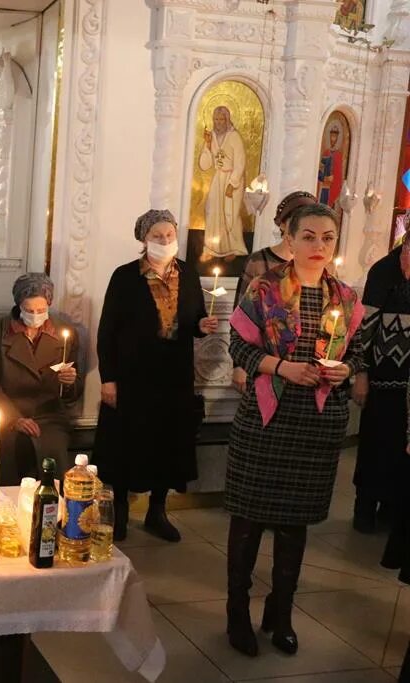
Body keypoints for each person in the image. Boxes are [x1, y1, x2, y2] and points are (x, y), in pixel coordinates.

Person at [226, 203, 364, 657]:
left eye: (328, 237)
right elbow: (239, 349)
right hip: (267, 421)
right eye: (309, 236)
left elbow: (356, 353)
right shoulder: (264, 290)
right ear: (290, 238)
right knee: (247, 522)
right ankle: (237, 613)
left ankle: (280, 612)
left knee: (294, 526)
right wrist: (283, 367)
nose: (319, 245)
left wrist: (344, 369)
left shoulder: (344, 297)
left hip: (315, 424)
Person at [93, 209, 218, 543]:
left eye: (169, 235)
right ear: (144, 240)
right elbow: (107, 332)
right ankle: (118, 512)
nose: (165, 241)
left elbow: (192, 320)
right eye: (157, 236)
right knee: (126, 443)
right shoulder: (125, 277)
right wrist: (108, 378)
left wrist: (202, 327)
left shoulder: (189, 275)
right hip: (133, 374)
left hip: (173, 375)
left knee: (167, 442)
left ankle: (157, 511)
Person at [0, 273, 80, 480]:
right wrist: (13, 418)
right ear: (19, 306)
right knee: (7, 458)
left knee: (52, 460)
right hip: (6, 413)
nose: (36, 315)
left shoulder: (64, 333)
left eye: (42, 310)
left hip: (48, 415)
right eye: (29, 310)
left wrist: (69, 383)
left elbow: (71, 393)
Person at [232, 191, 318, 393]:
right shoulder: (258, 262)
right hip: (263, 362)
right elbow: (240, 318)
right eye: (296, 220)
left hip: (307, 366)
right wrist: (238, 365)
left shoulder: (321, 265)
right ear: (283, 224)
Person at [354, 237, 410, 537]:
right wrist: (361, 373)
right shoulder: (383, 271)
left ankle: (392, 507)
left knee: (403, 449)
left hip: (409, 386)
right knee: (377, 443)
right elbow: (366, 328)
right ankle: (364, 507)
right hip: (382, 377)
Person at [199, 105, 248, 262]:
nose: (218, 123)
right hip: (218, 178)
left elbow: (240, 163)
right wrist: (207, 145)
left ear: (227, 120)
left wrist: (232, 184)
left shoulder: (234, 137)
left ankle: (233, 248)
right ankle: (211, 248)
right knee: (212, 210)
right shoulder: (212, 136)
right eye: (216, 119)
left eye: (221, 119)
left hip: (233, 180)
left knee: (230, 214)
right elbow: (204, 165)